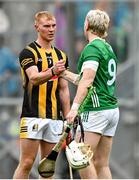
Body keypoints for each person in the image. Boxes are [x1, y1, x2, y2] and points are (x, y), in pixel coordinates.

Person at [61, 9, 119, 179]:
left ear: (86, 25)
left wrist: (74, 109)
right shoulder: (107, 47)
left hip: (95, 110)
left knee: (81, 159)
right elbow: (87, 78)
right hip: (111, 110)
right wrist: (64, 73)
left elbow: (87, 81)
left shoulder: (92, 48)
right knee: (102, 163)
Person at [13, 11, 70, 179]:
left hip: (54, 117)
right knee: (26, 163)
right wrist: (53, 70)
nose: (51, 29)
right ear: (37, 27)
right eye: (46, 26)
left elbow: (63, 88)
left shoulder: (61, 56)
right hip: (32, 116)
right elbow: (34, 78)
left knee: (47, 168)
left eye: (53, 26)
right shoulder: (28, 52)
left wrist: (67, 116)